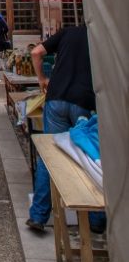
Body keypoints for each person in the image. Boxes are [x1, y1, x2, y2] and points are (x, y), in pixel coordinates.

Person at [27, 25, 104, 234]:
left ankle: (38, 215)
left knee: (48, 155)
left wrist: (42, 79)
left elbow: (36, 52)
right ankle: (96, 218)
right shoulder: (103, 35)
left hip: (57, 97)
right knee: (89, 156)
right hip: (85, 101)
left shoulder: (69, 32)